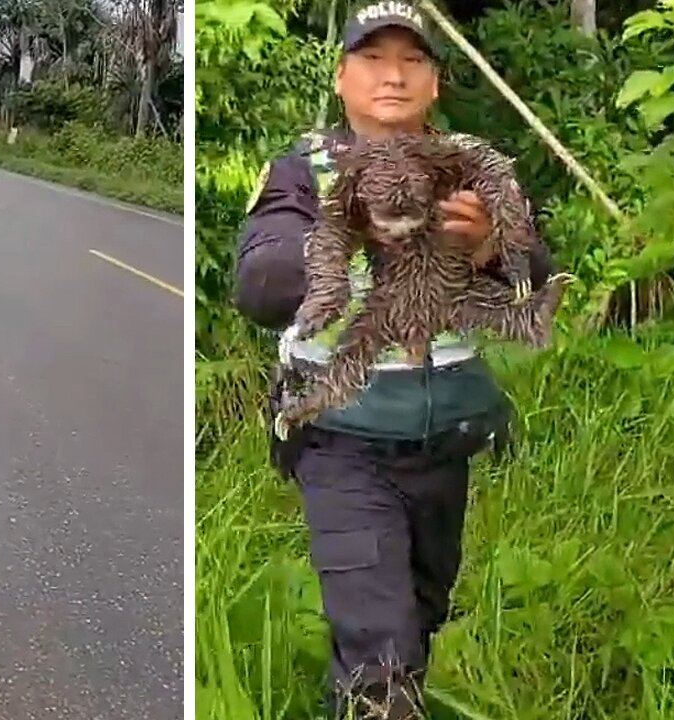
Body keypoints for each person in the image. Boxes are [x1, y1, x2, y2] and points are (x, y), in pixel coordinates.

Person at [234, 3, 557, 718]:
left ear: (435, 84)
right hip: (342, 441)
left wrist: (488, 251)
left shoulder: (473, 168)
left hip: (445, 446)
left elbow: (538, 276)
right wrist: (350, 230)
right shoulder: (302, 171)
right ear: (343, 78)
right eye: (374, 59)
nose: (394, 75)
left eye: (412, 60)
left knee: (413, 621)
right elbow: (258, 289)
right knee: (382, 658)